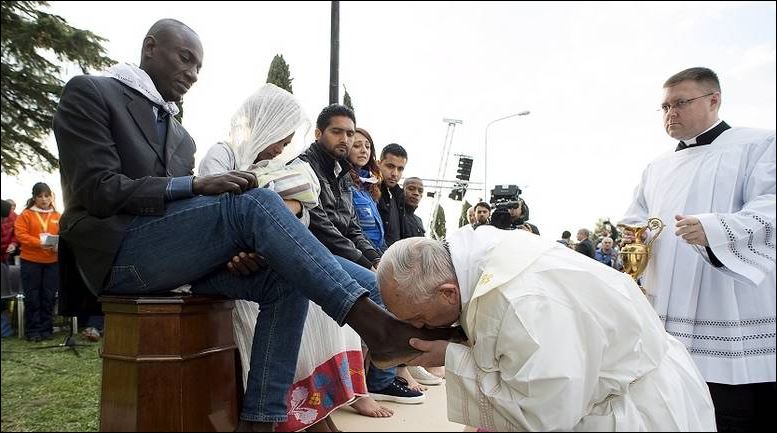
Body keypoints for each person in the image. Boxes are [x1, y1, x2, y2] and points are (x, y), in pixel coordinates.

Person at [52, 19, 459, 431]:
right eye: (185, 59)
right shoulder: (91, 92)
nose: (193, 73)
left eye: (199, 66)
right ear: (150, 47)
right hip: (119, 255)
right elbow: (95, 190)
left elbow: (185, 220)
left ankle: (261, 421)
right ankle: (375, 325)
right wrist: (193, 184)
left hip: (171, 258)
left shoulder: (180, 135)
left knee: (283, 279)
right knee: (255, 202)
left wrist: (230, 250)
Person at [377, 227, 717, 431]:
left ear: (448, 292)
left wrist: (451, 357)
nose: (418, 327)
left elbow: (545, 413)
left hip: (634, 411)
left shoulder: (519, 303)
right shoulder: (476, 255)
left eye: (419, 318)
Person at [200, 84, 393, 428]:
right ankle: (300, 413)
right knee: (307, 292)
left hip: (272, 255)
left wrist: (283, 208)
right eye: (280, 138)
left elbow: (298, 213)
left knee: (317, 300)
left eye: (287, 142)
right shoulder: (223, 155)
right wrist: (276, 212)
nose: (281, 147)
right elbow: (216, 217)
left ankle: (316, 410)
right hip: (231, 260)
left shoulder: (294, 167)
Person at [621, 66, 775, 431]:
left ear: (714, 100)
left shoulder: (759, 144)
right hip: (670, 305)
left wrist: (715, 230)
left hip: (730, 305)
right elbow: (635, 218)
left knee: (733, 409)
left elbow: (772, 204)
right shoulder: (656, 167)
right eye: (664, 106)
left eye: (680, 103)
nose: (670, 113)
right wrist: (633, 238)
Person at [14, 183, 60, 342]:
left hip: (52, 261)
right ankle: (33, 330)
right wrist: (39, 243)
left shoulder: (57, 216)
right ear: (34, 198)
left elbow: (64, 235)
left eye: (47, 196)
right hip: (31, 261)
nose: (44, 199)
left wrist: (58, 246)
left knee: (48, 296)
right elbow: (21, 235)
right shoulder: (26, 215)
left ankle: (46, 329)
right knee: (33, 296)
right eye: (40, 196)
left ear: (51, 197)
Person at [348, 127, 386, 252]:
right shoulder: (344, 183)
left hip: (377, 252)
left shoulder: (369, 184)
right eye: (357, 145)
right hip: (360, 253)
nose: (364, 150)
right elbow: (352, 230)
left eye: (368, 146)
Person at [376, 143, 408, 248]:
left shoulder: (399, 197)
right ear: (378, 164)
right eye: (390, 166)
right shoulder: (369, 190)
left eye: (400, 169)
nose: (395, 173)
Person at [1, 199, 18, 264]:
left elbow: (17, 233)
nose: (2, 220)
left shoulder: (14, 217)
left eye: (4, 218)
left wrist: (13, 244)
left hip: (5, 256)